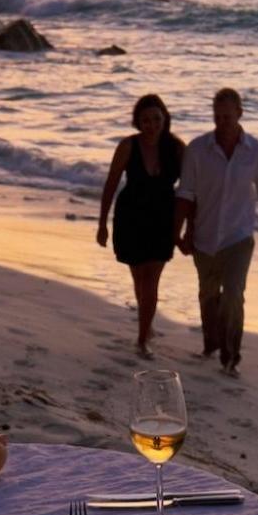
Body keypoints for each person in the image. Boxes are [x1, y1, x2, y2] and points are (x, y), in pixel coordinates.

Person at [174, 87, 258, 377]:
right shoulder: (197, 149)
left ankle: (230, 357)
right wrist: (178, 233)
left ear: (240, 114)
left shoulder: (255, 151)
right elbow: (186, 194)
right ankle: (211, 343)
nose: (222, 121)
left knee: (234, 295)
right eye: (217, 116)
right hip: (204, 237)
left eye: (227, 116)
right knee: (208, 295)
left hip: (238, 238)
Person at [96, 94, 184, 357]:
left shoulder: (177, 147)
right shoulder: (127, 146)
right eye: (145, 120)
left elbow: (193, 187)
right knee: (139, 278)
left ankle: (142, 338)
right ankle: (147, 323)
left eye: (156, 119)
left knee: (152, 280)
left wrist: (190, 224)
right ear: (137, 122)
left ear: (164, 119)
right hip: (131, 217)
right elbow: (111, 184)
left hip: (162, 219)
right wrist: (102, 224)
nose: (152, 125)